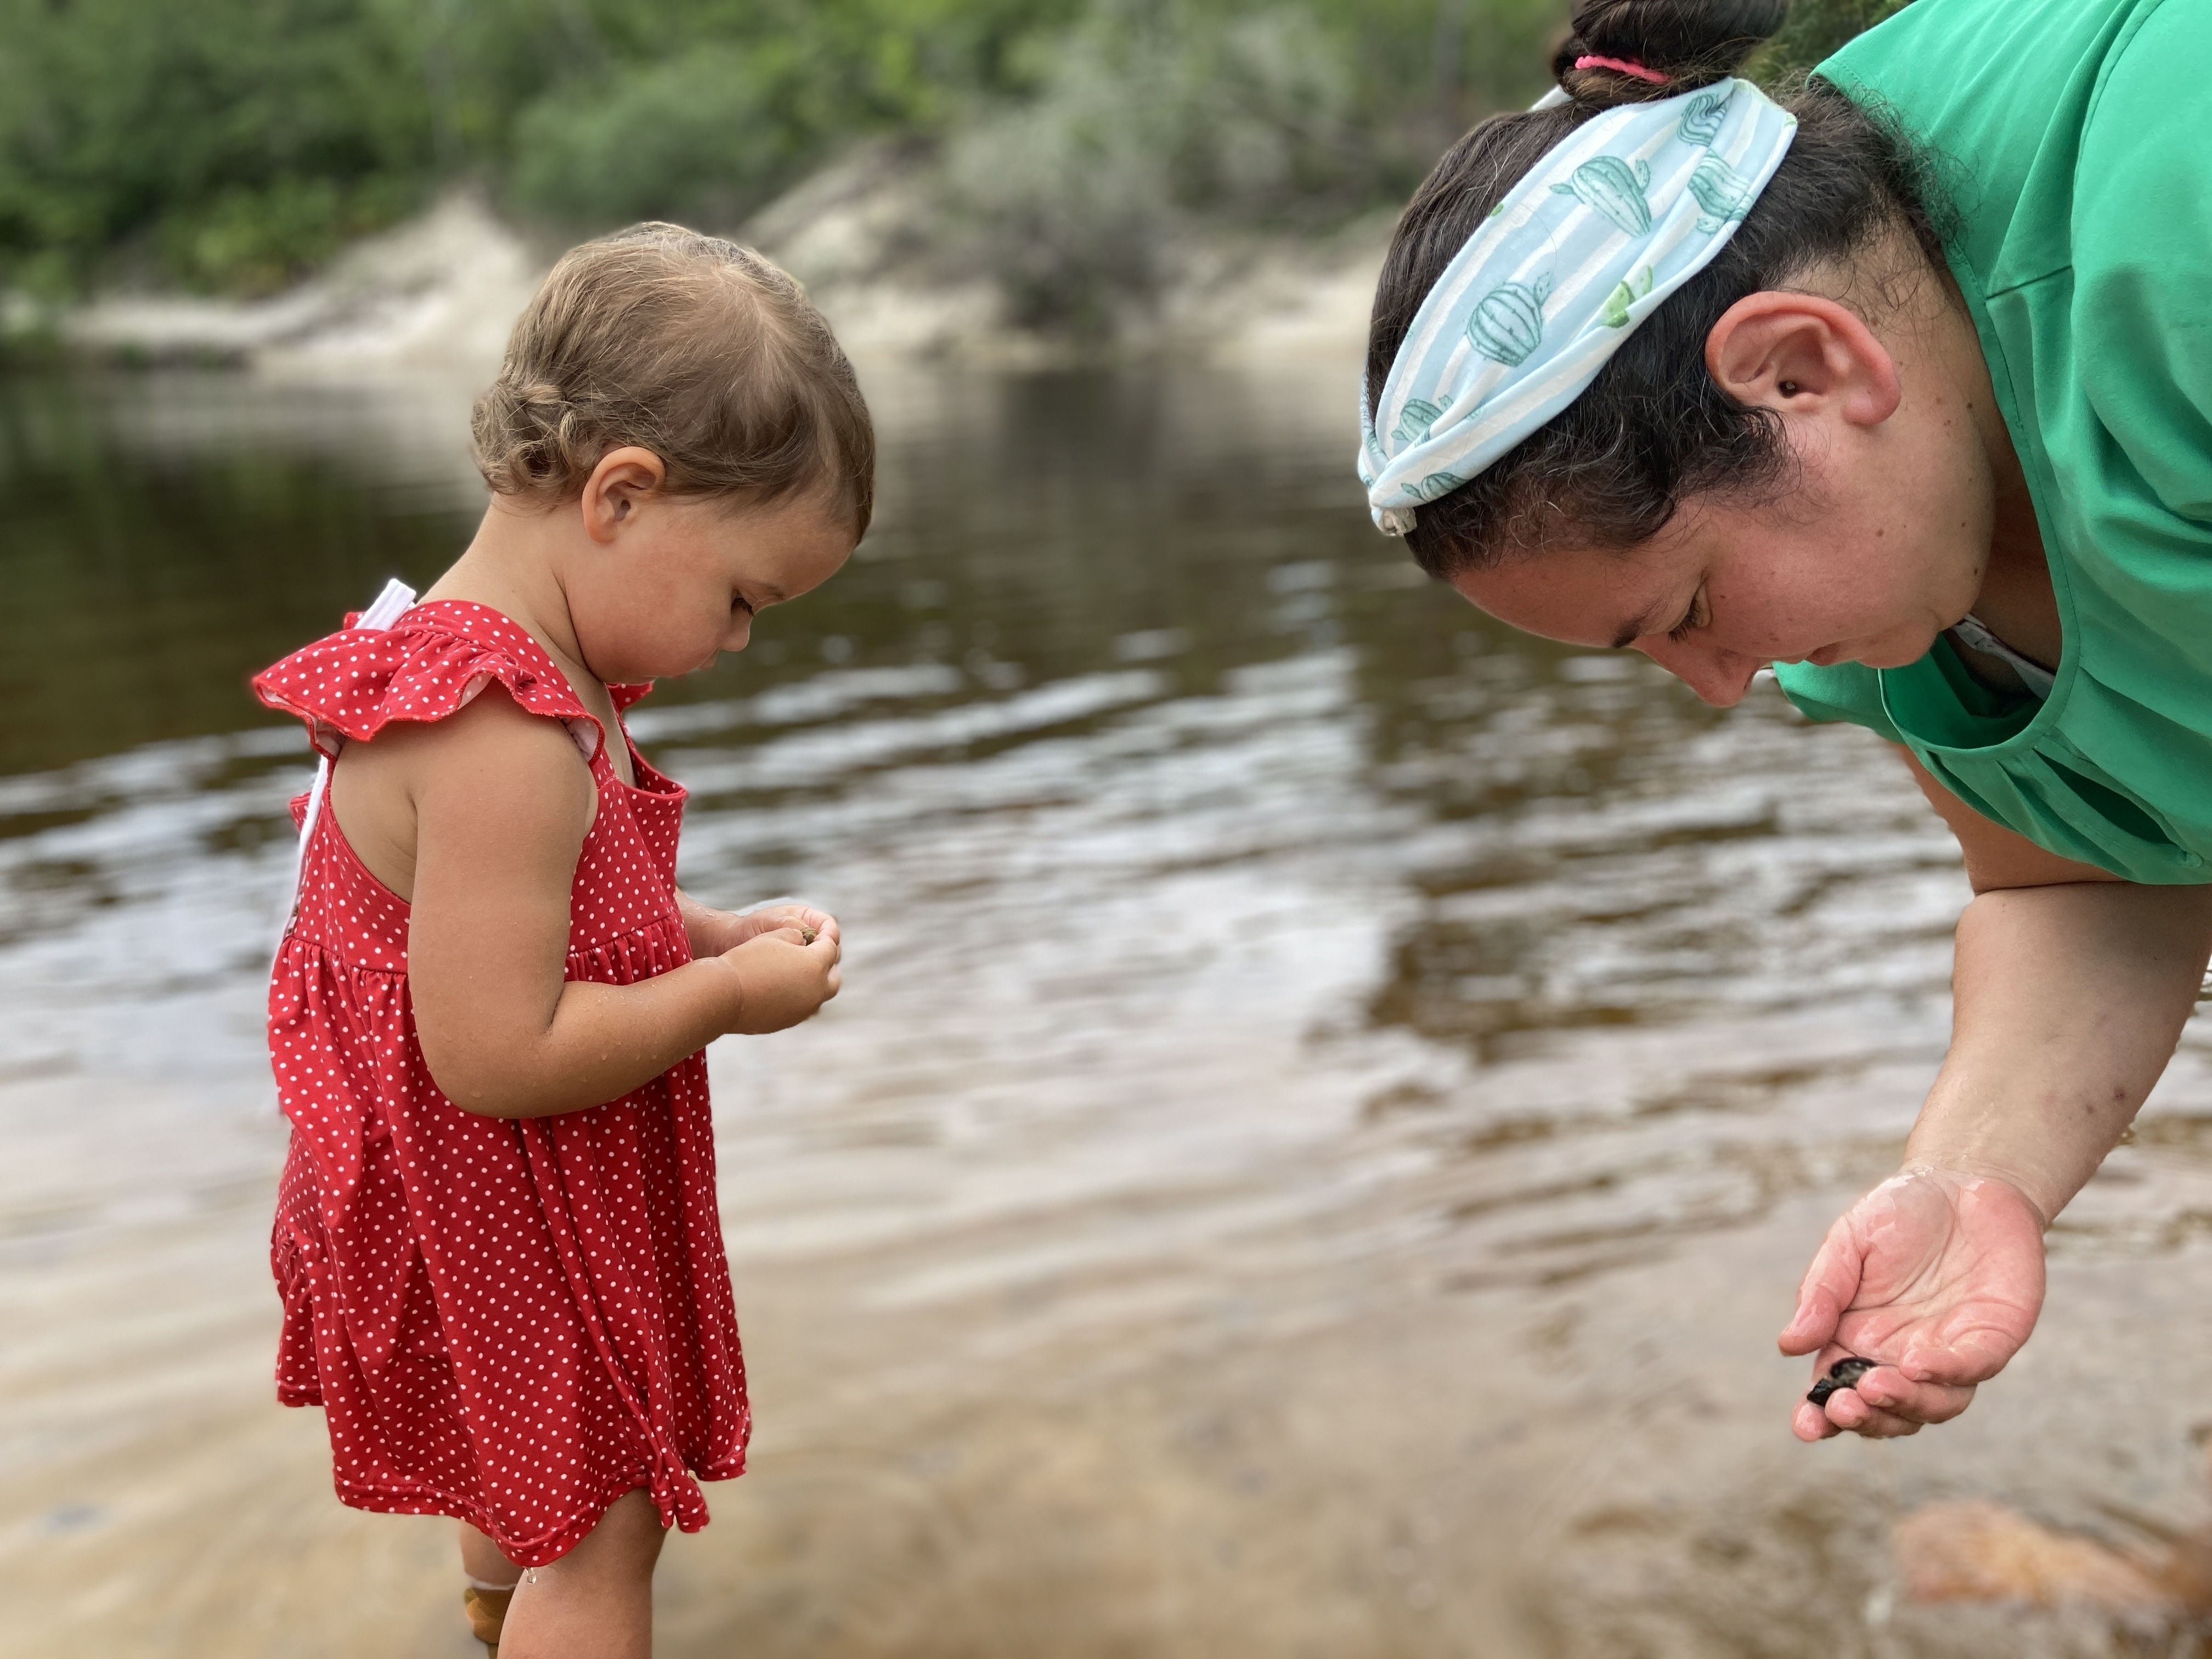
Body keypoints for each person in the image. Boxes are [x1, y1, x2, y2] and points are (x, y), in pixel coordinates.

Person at [1361, 0, 2212, 1444]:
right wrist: (1972, 1182)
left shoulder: (2175, 239)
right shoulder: (1890, 537)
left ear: (1802, 372)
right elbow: (2082, 875)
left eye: (1687, 610)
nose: (1725, 686)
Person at [252, 223, 866, 1657]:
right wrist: (720, 996)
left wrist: (707, 929)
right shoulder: (504, 734)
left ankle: (488, 1632)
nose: (735, 644)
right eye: (742, 598)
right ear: (621, 497)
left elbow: (531, 929)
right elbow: (496, 1048)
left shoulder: (492, 658)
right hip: (500, 1201)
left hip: (472, 1210)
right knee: (600, 1532)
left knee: (526, 1491)